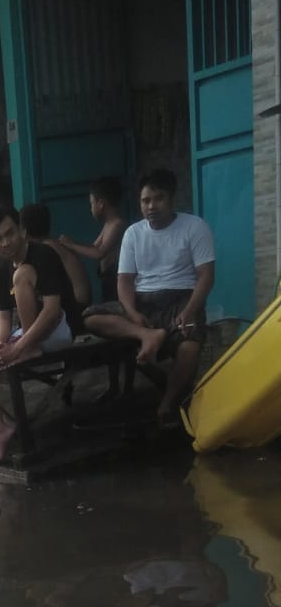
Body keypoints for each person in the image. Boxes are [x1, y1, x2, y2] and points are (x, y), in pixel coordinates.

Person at [82, 168, 215, 421]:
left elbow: (206, 276)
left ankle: (167, 404)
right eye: (145, 201)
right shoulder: (133, 233)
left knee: (189, 346)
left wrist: (189, 311)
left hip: (182, 298)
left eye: (158, 199)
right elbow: (124, 281)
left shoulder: (195, 227)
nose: (151, 206)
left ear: (171, 198)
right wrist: (131, 312)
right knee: (91, 317)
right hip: (143, 301)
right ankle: (148, 336)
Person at [0, 204, 84, 466]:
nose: (6, 242)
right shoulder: (2, 269)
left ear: (22, 230)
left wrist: (18, 349)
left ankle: (27, 348)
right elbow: (4, 318)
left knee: (23, 274)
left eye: (10, 233)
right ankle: (1, 429)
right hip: (29, 334)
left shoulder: (43, 255)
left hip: (62, 328)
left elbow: (52, 311)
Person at [58, 176, 127, 301]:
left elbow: (99, 253)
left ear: (101, 204)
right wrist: (70, 245)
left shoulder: (118, 224)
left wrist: (72, 245)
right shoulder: (108, 223)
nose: (91, 209)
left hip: (115, 278)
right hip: (105, 277)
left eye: (92, 204)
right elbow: (94, 247)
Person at [19, 203, 91, 310]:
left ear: (24, 230)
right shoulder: (52, 244)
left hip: (77, 307)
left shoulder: (46, 249)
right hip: (79, 303)